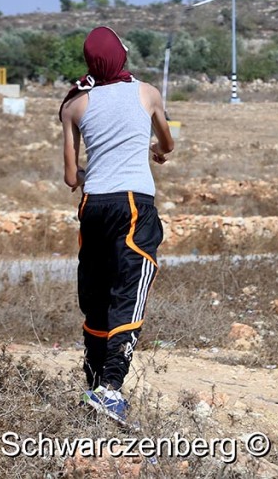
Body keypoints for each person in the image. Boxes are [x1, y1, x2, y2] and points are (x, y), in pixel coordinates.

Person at [59, 26, 175, 426]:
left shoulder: (73, 104)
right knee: (131, 285)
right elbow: (168, 143)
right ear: (121, 58)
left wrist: (98, 166)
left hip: (93, 205)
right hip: (133, 203)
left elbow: (72, 178)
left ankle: (93, 382)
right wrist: (156, 151)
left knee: (97, 293)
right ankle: (110, 388)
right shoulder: (146, 93)